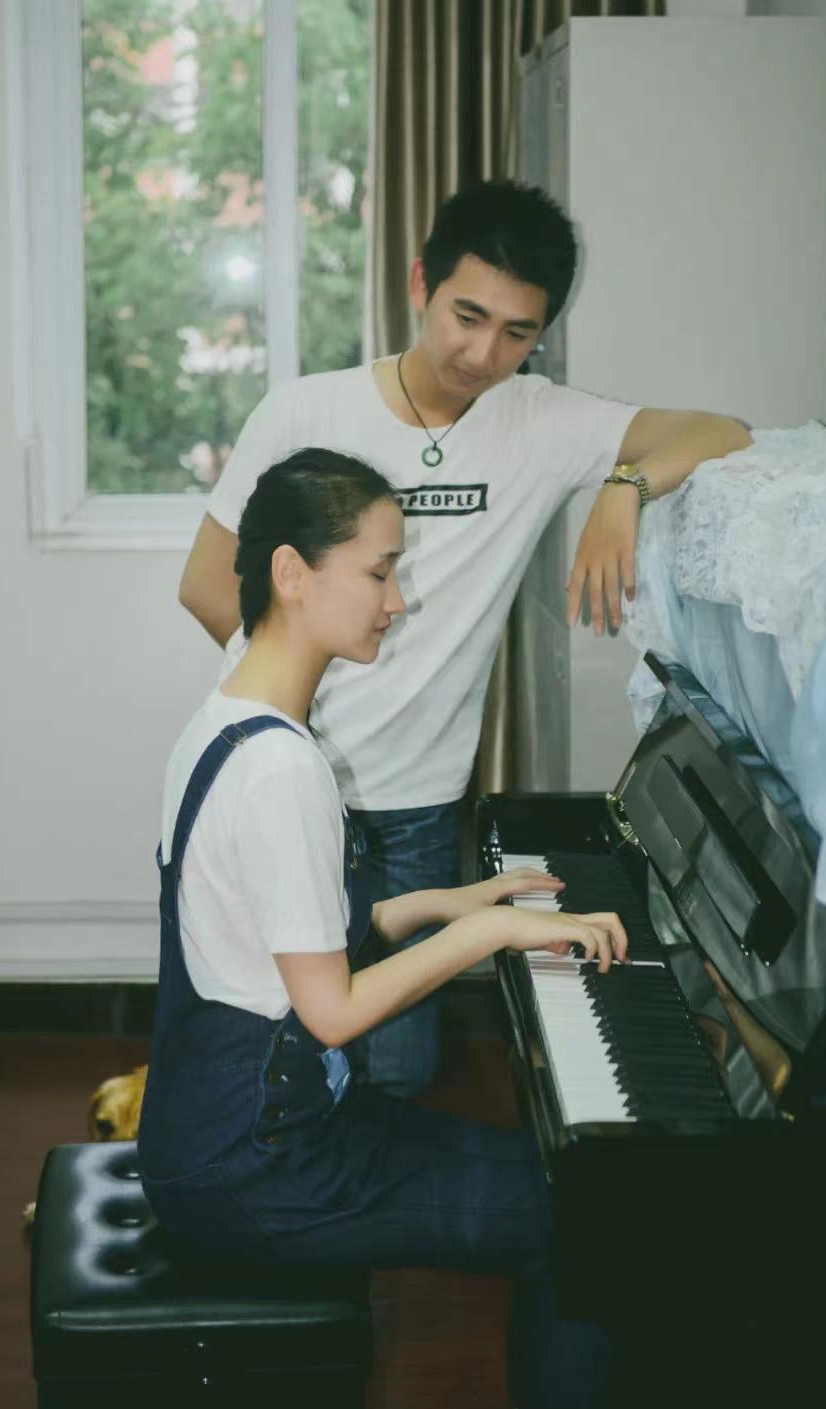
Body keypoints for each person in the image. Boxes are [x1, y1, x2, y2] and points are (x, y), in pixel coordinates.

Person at [179, 179, 752, 1097]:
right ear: (421, 284)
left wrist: (625, 488)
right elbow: (206, 584)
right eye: (467, 315)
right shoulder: (303, 412)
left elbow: (723, 431)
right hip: (288, 783)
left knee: (399, 1070)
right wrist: (300, 700)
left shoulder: (540, 421)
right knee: (281, 1045)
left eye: (518, 332)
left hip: (415, 804)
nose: (483, 353)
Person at [138, 447, 629, 1409]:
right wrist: (494, 937)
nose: (397, 600)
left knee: (565, 1183)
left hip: (234, 1131)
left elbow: (289, 934)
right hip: (256, 1166)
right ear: (292, 572)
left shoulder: (228, 721)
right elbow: (330, 1010)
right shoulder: (280, 769)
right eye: (379, 571)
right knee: (576, 1220)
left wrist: (454, 902)